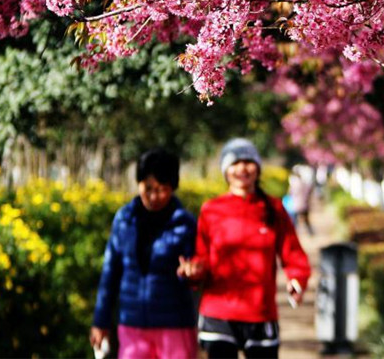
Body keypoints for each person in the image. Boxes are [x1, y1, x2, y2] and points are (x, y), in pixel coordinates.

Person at [178, 138, 311, 358]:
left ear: (258, 168)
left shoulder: (274, 209)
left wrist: (297, 279)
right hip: (218, 314)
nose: (242, 168)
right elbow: (202, 257)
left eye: (248, 161)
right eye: (234, 163)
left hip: (261, 313)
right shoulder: (211, 210)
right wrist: (193, 271)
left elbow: (293, 252)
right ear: (225, 170)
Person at [90, 148, 198, 359]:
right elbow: (110, 273)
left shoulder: (185, 223)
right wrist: (101, 320)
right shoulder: (124, 219)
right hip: (132, 325)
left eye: (162, 188)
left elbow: (196, 272)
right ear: (138, 184)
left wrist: (191, 273)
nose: (154, 196)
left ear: (173, 187)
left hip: (174, 326)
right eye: (147, 188)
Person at [288, 165, 314, 235]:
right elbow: (309, 190)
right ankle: (310, 232)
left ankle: (293, 233)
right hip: (304, 204)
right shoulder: (304, 183)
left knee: (295, 221)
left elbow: (290, 193)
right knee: (306, 220)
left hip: (296, 204)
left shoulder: (293, 184)